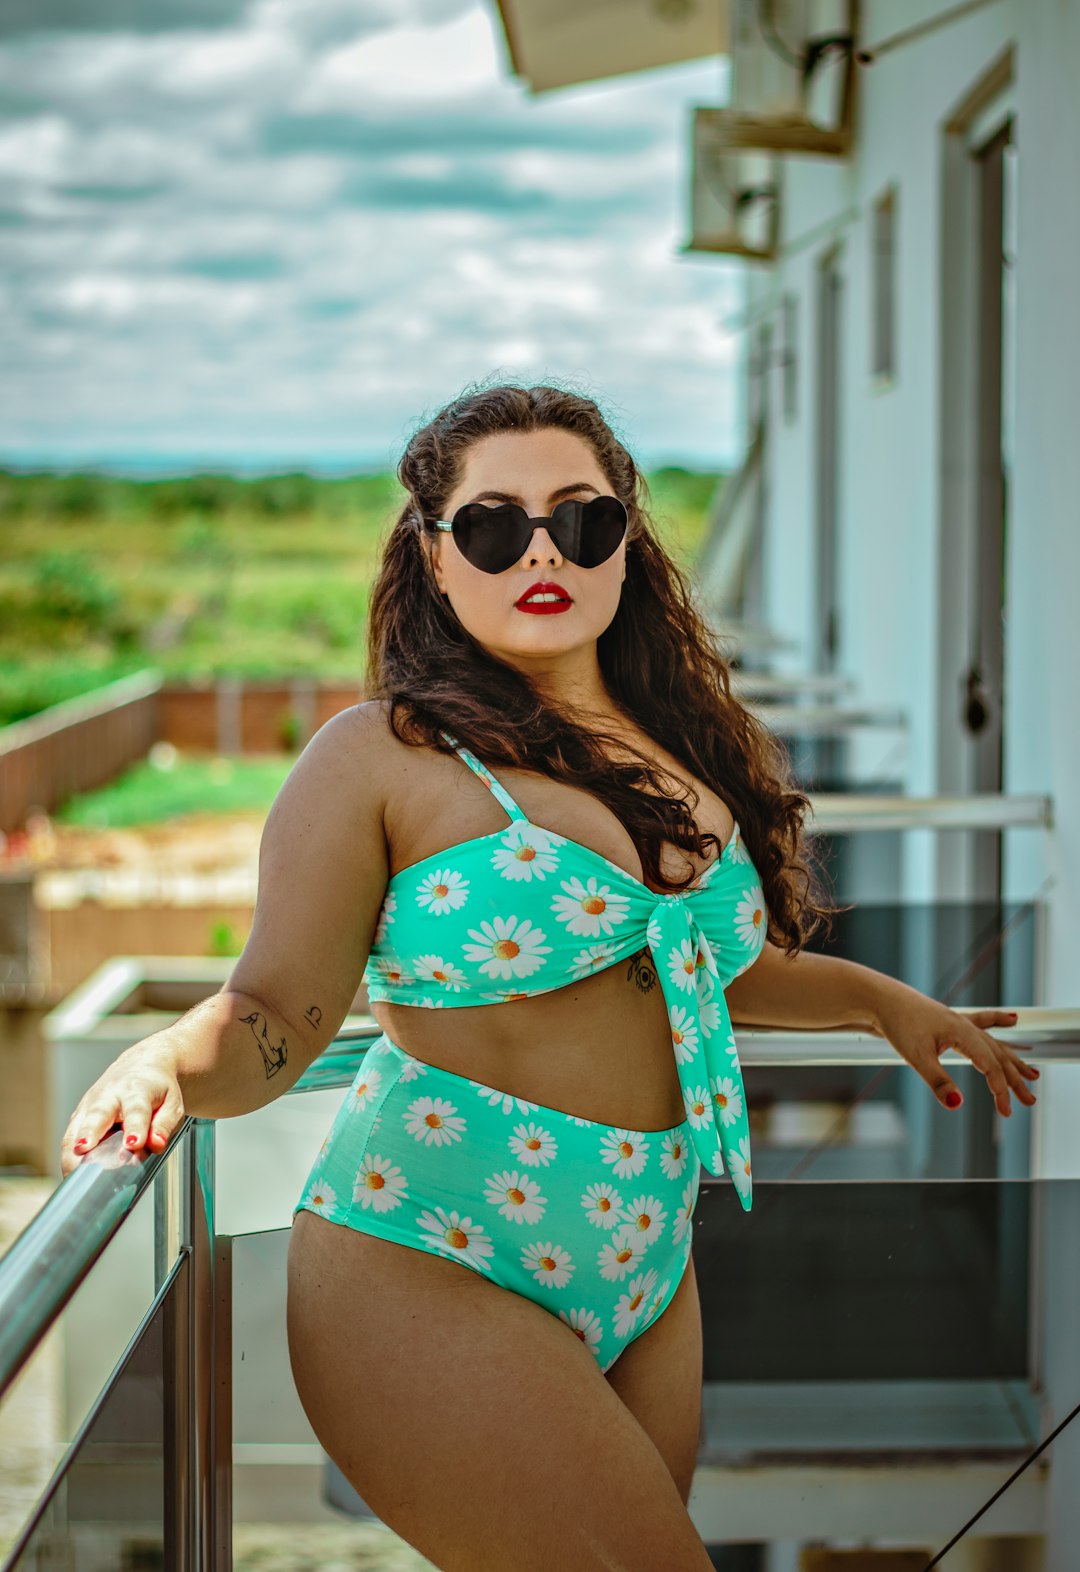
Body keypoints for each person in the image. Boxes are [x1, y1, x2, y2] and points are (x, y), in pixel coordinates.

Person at [60, 382, 1039, 1572]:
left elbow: (703, 968)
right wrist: (169, 1055)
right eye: (491, 524)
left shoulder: (674, 746)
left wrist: (884, 1001)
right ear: (432, 552)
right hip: (433, 1245)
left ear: (626, 542)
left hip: (647, 1247)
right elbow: (277, 1009)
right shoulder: (381, 755)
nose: (541, 551)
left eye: (580, 520)